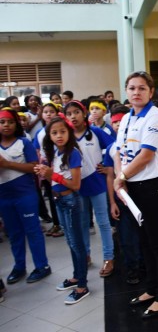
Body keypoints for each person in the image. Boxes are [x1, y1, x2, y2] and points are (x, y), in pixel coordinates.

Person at [113, 71, 158, 319]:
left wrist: (121, 177)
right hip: (131, 186)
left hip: (153, 187)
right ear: (126, 91)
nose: (136, 92)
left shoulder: (156, 116)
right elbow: (119, 151)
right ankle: (151, 288)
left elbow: (146, 155)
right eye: (131, 88)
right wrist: (121, 177)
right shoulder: (127, 117)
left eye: (141, 88)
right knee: (144, 242)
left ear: (151, 91)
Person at [35, 116, 89, 305]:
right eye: (54, 132)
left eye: (63, 132)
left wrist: (52, 175)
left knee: (77, 243)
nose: (59, 136)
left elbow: (75, 184)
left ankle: (82, 286)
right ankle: (76, 277)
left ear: (69, 133)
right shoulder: (55, 152)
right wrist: (44, 172)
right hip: (59, 201)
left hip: (70, 200)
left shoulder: (73, 153)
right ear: (49, 136)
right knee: (70, 241)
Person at [0, 108, 52, 285]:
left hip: (25, 194)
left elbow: (34, 167)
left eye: (10, 122)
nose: (6, 125)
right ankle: (19, 267)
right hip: (4, 197)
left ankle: (42, 266)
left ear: (16, 124)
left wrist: (7, 164)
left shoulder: (24, 142)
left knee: (32, 230)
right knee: (14, 233)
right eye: (2, 122)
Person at [64, 100, 115, 276]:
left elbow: (113, 147)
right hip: (77, 186)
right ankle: (85, 255)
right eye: (69, 113)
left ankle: (109, 257)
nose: (73, 116)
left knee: (103, 222)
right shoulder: (67, 135)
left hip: (97, 183)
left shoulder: (95, 132)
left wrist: (108, 166)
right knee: (83, 223)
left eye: (76, 112)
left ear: (83, 113)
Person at [103, 104, 142, 285]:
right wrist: (112, 202)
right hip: (122, 198)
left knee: (145, 234)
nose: (118, 125)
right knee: (127, 237)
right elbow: (110, 176)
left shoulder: (140, 142)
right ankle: (132, 269)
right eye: (115, 122)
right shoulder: (112, 148)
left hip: (142, 194)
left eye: (122, 121)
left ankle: (145, 266)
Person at [33, 102, 64, 237]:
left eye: (52, 111)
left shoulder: (63, 130)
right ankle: (57, 223)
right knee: (52, 197)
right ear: (42, 115)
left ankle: (64, 224)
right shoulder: (40, 133)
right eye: (46, 112)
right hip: (46, 168)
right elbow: (38, 151)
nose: (49, 114)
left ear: (57, 113)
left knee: (63, 194)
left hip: (60, 167)